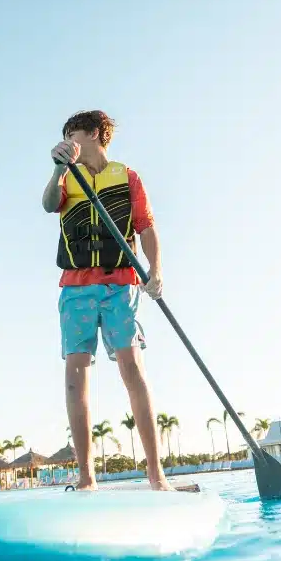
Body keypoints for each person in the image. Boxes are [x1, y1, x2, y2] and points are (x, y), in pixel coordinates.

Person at [42, 110, 171, 491]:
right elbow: (50, 205)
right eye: (64, 135)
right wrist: (57, 170)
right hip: (76, 288)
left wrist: (156, 269)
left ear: (96, 133)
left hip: (121, 286)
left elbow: (146, 226)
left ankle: (156, 475)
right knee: (75, 378)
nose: (68, 139)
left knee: (133, 371)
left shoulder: (127, 176)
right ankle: (86, 477)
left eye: (73, 132)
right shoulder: (66, 175)